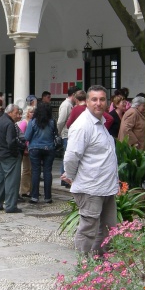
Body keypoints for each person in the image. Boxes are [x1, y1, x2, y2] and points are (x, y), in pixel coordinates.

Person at [62, 85, 119, 255]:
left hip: (106, 187)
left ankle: (100, 264)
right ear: (86, 102)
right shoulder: (83, 125)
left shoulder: (100, 123)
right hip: (91, 187)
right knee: (88, 229)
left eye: (102, 99)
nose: (98, 103)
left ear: (107, 102)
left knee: (108, 228)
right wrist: (71, 176)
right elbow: (71, 156)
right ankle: (83, 265)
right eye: (94, 99)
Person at [0, 104, 23, 213]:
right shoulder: (9, 124)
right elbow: (11, 142)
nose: (17, 115)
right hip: (9, 156)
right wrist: (16, 154)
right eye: (15, 113)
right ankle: (10, 206)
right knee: (12, 181)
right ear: (9, 113)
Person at [25, 101, 57, 204]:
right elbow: (55, 134)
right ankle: (48, 197)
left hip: (35, 148)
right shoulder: (52, 121)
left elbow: (27, 137)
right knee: (47, 172)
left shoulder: (33, 121)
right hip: (49, 148)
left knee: (35, 172)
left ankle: (34, 196)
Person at [57, 87, 77, 176]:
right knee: (67, 157)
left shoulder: (70, 104)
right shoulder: (66, 105)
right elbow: (61, 121)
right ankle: (64, 177)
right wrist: (58, 132)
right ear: (73, 95)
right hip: (66, 134)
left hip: (68, 133)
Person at [18, 105, 35, 198]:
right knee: (26, 170)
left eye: (33, 112)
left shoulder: (33, 122)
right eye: (31, 112)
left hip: (32, 148)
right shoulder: (24, 123)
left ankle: (30, 188)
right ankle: (24, 189)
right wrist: (24, 148)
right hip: (26, 149)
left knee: (32, 170)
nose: (32, 114)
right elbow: (21, 137)